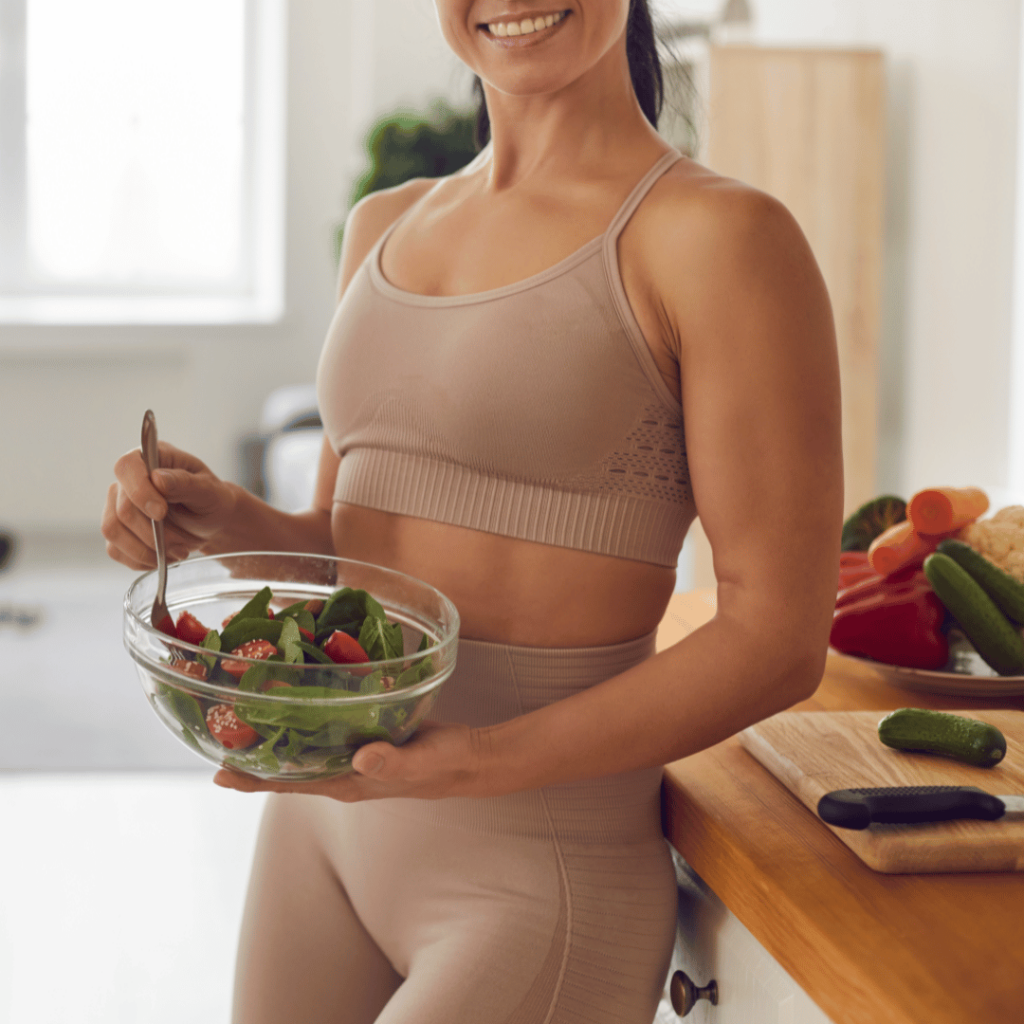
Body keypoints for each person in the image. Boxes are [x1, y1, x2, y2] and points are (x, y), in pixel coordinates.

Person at [101, 1, 844, 1021]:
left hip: (534, 873)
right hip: (320, 832)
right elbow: (355, 555)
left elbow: (776, 637)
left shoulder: (718, 238)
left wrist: (480, 760)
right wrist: (220, 518)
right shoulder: (384, 223)